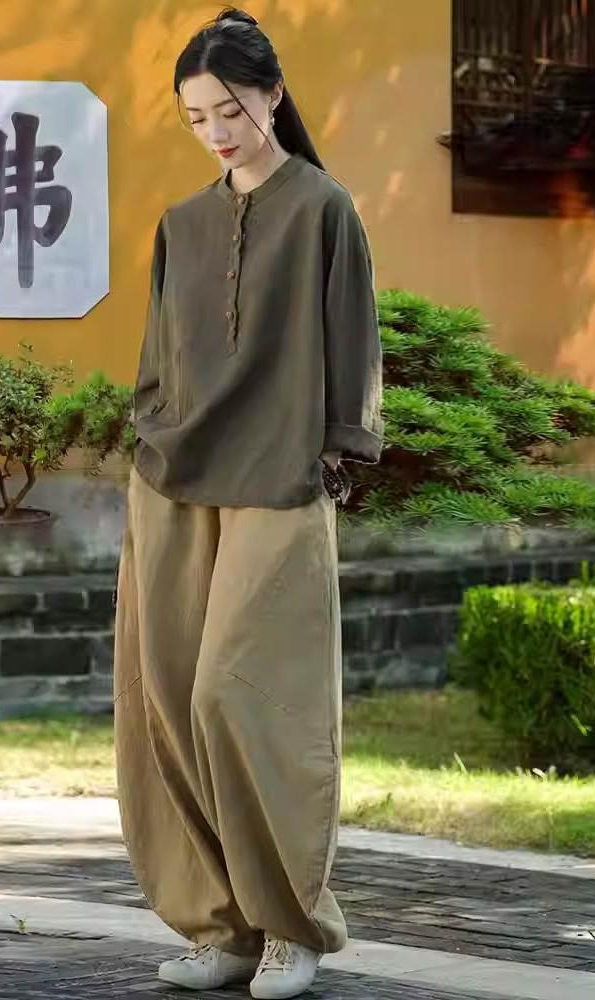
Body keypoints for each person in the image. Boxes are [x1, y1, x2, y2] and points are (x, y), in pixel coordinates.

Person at [112, 7, 384, 998]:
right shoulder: (180, 225)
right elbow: (158, 355)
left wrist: (337, 453)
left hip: (279, 482)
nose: (217, 132)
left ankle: (288, 924)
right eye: (197, 118)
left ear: (273, 94)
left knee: (241, 693)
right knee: (170, 699)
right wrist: (150, 429)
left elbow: (352, 348)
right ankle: (221, 926)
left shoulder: (323, 209)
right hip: (173, 483)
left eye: (230, 109)